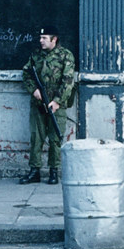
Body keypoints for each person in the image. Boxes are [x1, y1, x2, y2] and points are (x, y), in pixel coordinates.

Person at [19, 25, 76, 185]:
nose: (41, 41)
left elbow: (68, 80)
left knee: (55, 138)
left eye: (44, 38)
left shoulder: (66, 56)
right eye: (40, 38)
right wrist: (34, 90)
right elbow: (26, 73)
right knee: (36, 137)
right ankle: (34, 171)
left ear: (54, 39)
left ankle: (53, 171)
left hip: (57, 105)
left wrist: (57, 101)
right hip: (38, 103)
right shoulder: (36, 55)